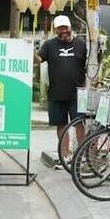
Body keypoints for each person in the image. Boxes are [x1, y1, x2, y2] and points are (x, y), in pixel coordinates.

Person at [35, 14, 87, 167]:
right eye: (59, 28)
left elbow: (91, 65)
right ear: (56, 30)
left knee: (79, 124)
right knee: (61, 125)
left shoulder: (81, 45)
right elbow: (39, 59)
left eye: (65, 27)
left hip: (78, 94)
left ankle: (81, 155)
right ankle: (66, 155)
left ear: (70, 28)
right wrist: (28, 50)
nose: (63, 31)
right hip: (56, 93)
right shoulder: (49, 45)